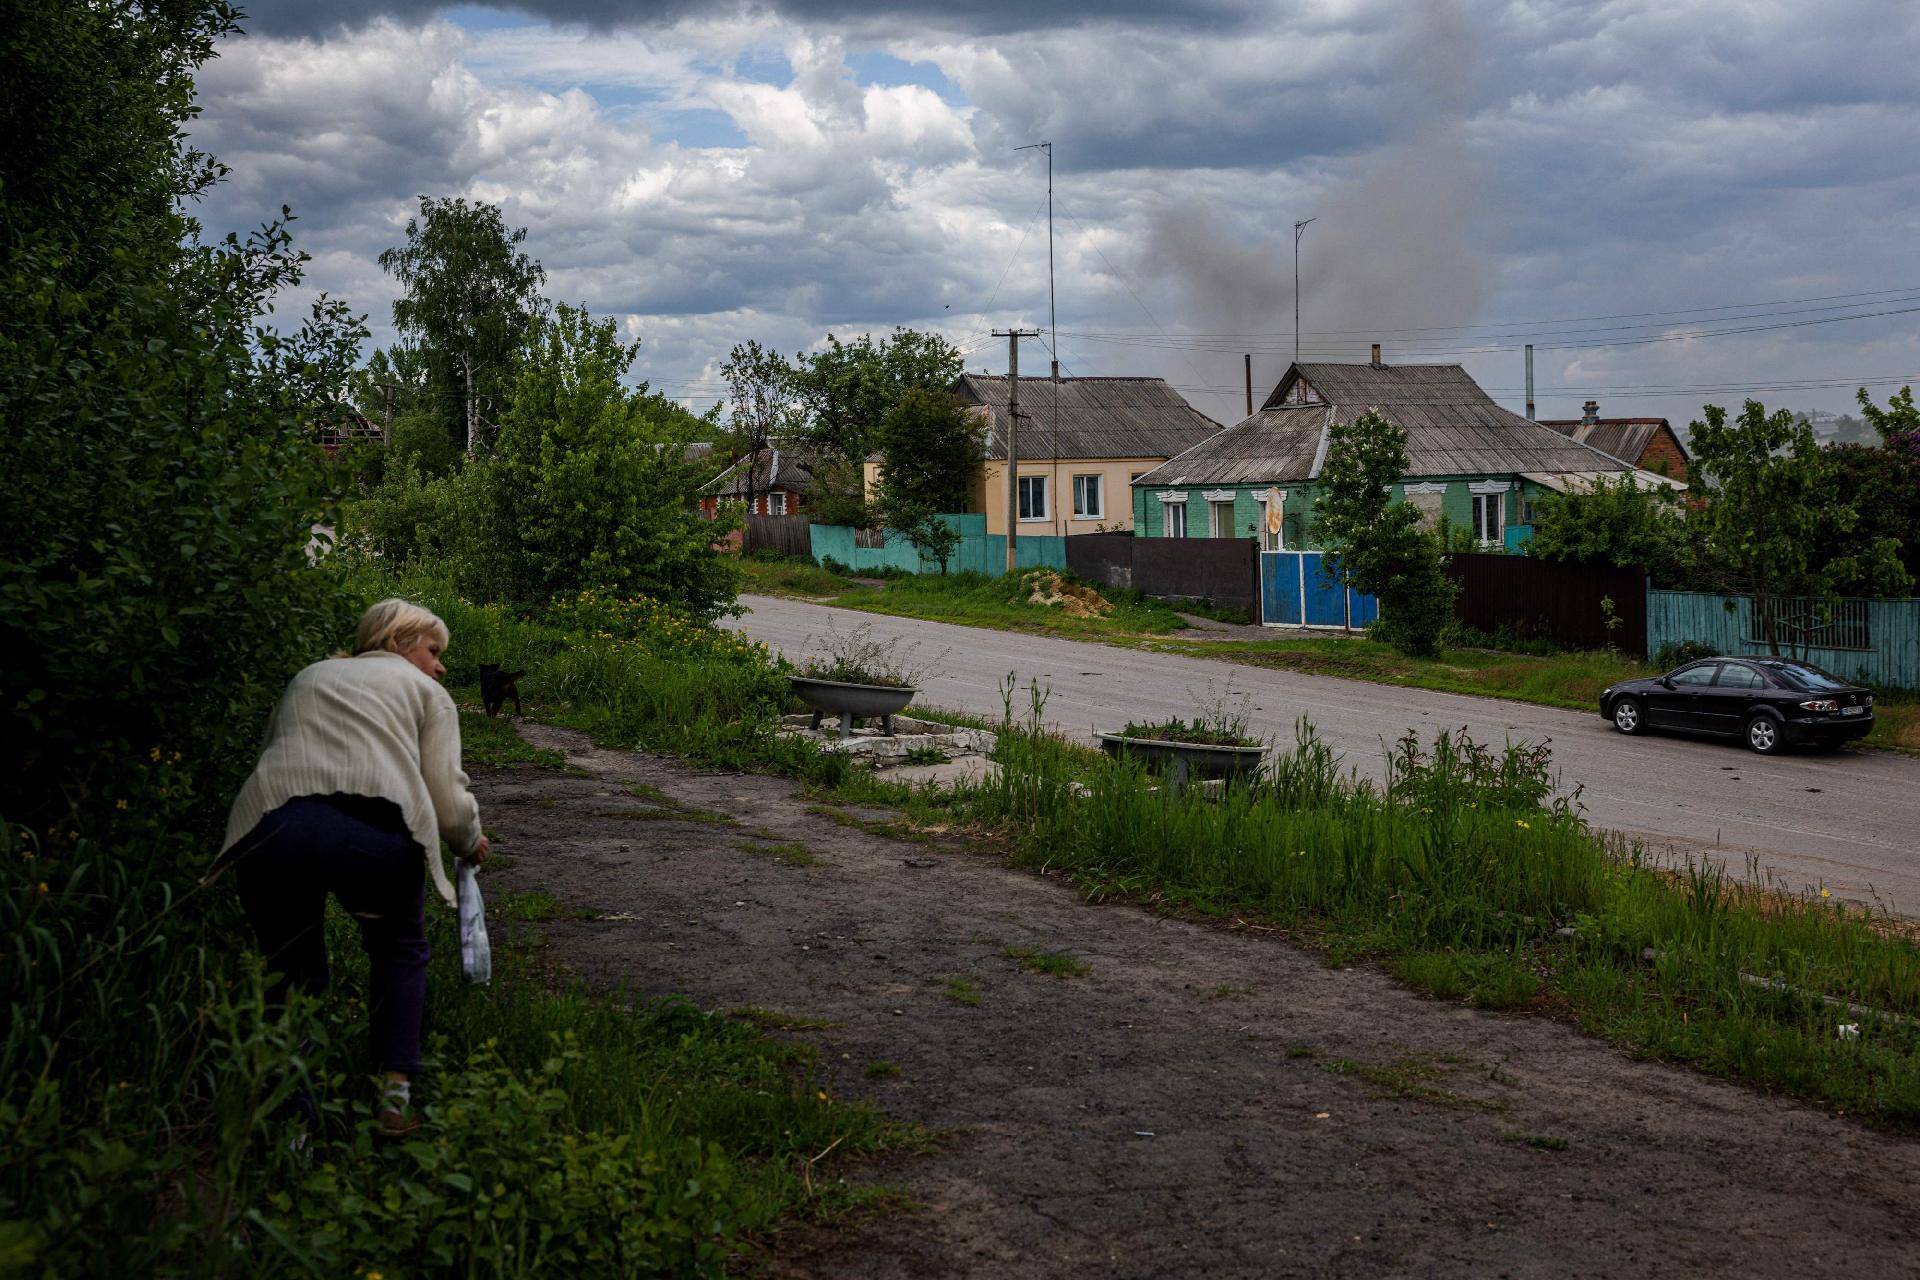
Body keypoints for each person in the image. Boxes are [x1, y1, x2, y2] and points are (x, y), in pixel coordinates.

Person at [222, 598, 488, 1136]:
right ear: (397, 642)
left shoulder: (309, 676)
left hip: (274, 827)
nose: (441, 666)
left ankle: (291, 1126)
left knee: (289, 969)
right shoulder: (427, 693)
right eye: (434, 650)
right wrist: (471, 842)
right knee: (398, 950)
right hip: (373, 835)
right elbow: (448, 801)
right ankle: (393, 1100)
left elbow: (274, 750)